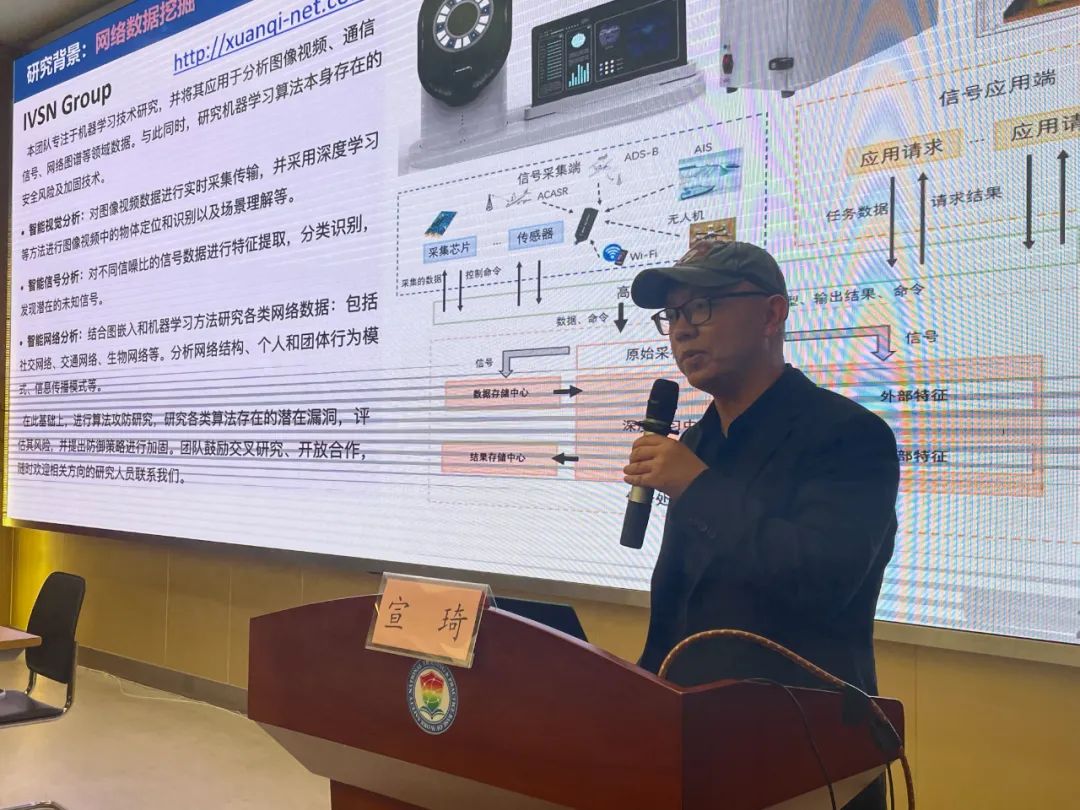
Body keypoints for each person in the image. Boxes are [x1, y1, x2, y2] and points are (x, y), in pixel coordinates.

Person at [625, 239, 899, 810]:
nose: (683, 330)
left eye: (702, 307)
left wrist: (698, 489)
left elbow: (821, 581)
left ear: (772, 314)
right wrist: (637, 701)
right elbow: (681, 608)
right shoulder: (699, 443)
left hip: (807, 762)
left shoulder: (847, 434)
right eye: (673, 314)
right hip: (695, 749)